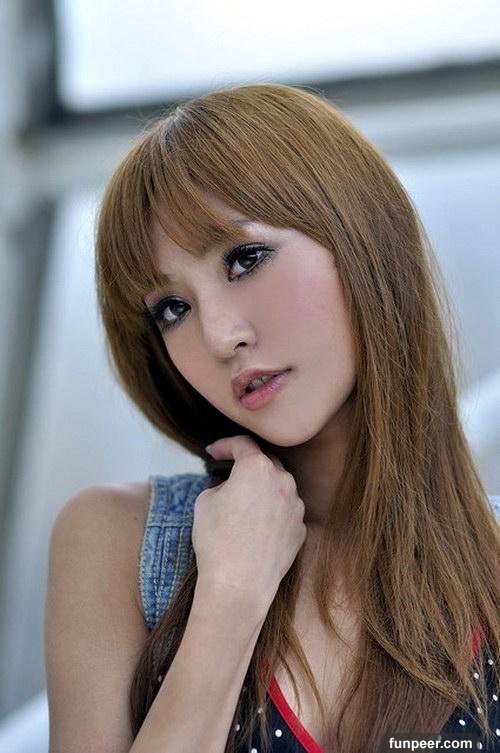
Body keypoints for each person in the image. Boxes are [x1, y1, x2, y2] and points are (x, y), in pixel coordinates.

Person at [44, 82, 500, 753]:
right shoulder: (120, 541)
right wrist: (230, 596)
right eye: (172, 308)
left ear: (363, 238)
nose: (219, 335)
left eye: (244, 259)